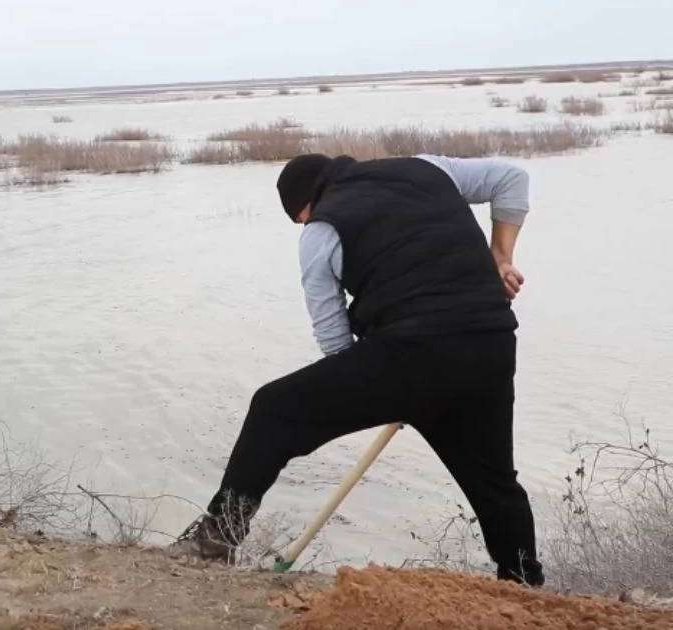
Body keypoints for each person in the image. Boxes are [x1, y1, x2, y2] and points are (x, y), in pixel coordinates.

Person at [171, 152, 544, 586]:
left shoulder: (321, 231)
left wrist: (382, 387)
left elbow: (334, 341)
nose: (304, 225)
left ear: (304, 207)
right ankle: (524, 585)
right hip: (490, 343)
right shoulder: (426, 167)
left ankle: (215, 540)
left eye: (299, 219)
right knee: (495, 482)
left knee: (273, 408)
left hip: (410, 352)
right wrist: (500, 257)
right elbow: (511, 179)